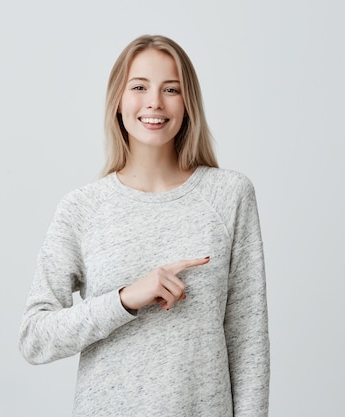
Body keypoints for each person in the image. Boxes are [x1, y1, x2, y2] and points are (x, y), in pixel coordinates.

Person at [18, 34, 270, 417]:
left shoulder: (229, 195)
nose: (154, 101)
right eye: (139, 87)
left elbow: (248, 340)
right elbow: (35, 338)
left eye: (171, 89)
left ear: (188, 104)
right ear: (118, 101)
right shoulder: (82, 208)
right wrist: (124, 299)